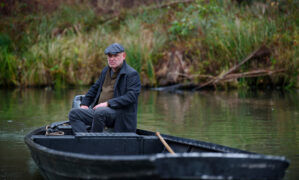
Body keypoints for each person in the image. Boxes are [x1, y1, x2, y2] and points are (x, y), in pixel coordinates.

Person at [68, 43, 141, 132]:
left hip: (119, 115)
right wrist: (85, 104)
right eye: (110, 56)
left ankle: (94, 140)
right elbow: (95, 88)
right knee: (74, 113)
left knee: (100, 112)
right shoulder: (106, 71)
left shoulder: (131, 74)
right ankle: (84, 138)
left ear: (124, 56)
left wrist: (108, 103)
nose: (112, 59)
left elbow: (131, 97)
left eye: (116, 56)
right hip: (100, 112)